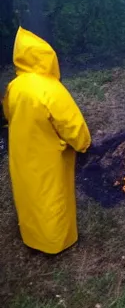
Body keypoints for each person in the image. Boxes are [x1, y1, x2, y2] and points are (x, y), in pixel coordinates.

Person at [2, 27, 91, 254]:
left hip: (22, 153)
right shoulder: (50, 89)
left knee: (30, 196)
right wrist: (83, 145)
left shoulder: (15, 86)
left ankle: (32, 238)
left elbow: (8, 114)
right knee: (52, 197)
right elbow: (72, 124)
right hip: (49, 156)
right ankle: (54, 244)